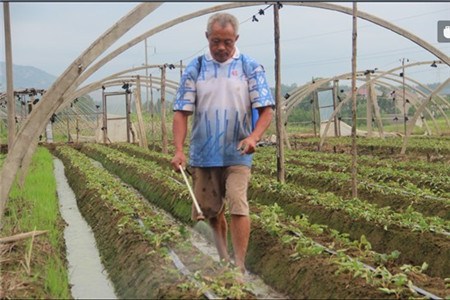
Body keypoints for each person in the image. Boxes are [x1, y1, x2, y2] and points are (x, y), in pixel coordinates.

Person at [171, 12, 274, 275]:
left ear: (236, 39)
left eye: (227, 42)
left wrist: (253, 137)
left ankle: (239, 266)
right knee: (212, 211)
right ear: (207, 37)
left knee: (238, 203)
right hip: (204, 153)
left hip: (238, 151)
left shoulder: (250, 67)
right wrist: (180, 150)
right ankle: (224, 259)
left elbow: (266, 110)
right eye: (216, 41)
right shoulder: (195, 68)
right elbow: (181, 112)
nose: (221, 48)